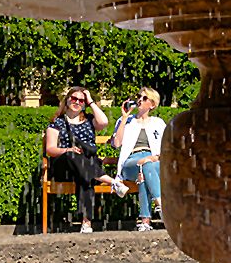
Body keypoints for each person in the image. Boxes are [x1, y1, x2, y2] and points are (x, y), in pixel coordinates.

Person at [45, 86, 127, 233]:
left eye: (81, 100)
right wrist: (67, 149)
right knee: (74, 157)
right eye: (74, 98)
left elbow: (104, 122)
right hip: (65, 166)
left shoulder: (89, 120)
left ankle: (86, 223)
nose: (77, 102)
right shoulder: (57, 122)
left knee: (85, 177)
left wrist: (90, 101)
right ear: (67, 100)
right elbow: (50, 149)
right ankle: (112, 182)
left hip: (88, 165)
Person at [112, 87, 166, 232]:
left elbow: (167, 147)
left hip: (153, 161)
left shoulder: (158, 123)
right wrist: (124, 118)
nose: (139, 100)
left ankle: (145, 221)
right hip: (131, 161)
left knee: (144, 172)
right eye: (139, 97)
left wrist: (154, 157)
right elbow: (116, 144)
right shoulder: (127, 121)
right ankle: (160, 205)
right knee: (144, 167)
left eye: (144, 98)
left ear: (152, 104)